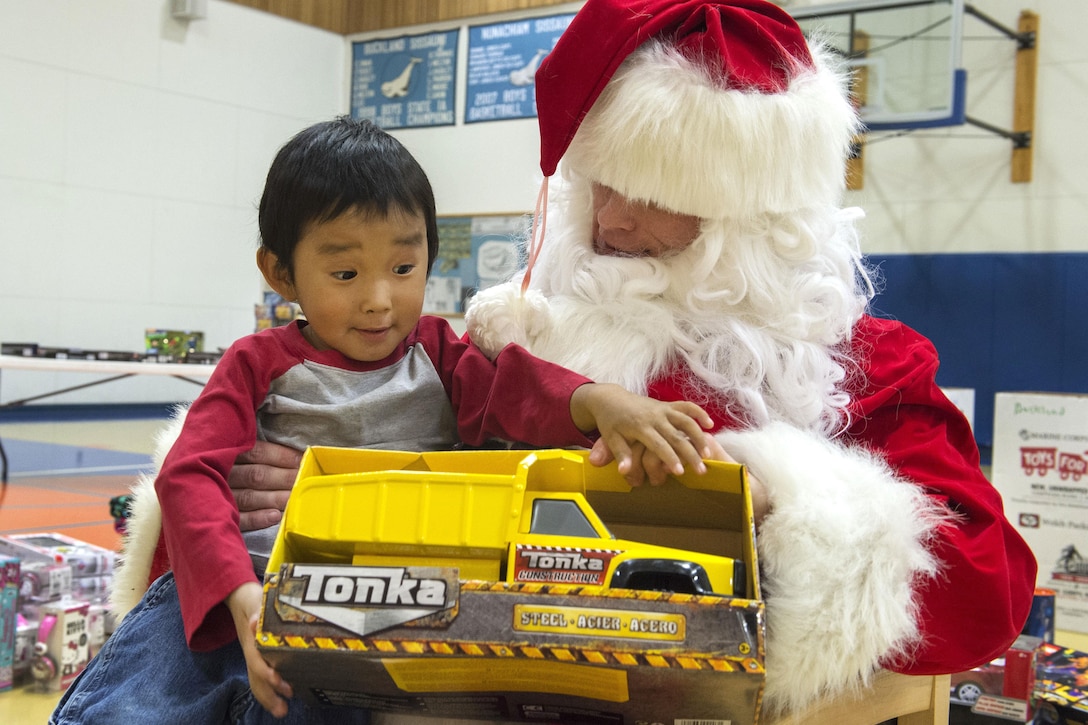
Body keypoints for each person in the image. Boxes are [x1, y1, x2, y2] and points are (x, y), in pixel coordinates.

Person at [230, 0, 1037, 718]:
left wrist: (778, 502)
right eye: (599, 184)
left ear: (752, 216)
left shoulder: (858, 367)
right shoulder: (518, 341)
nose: (611, 223)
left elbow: (987, 584)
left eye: (653, 196)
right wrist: (324, 473)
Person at [51, 116, 721, 725]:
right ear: (280, 273)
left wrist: (600, 401)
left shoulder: (436, 351)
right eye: (344, 271)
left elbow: (517, 387)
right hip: (242, 592)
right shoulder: (256, 361)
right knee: (135, 705)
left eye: (404, 266)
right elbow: (189, 473)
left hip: (377, 608)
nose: (379, 300)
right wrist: (240, 594)